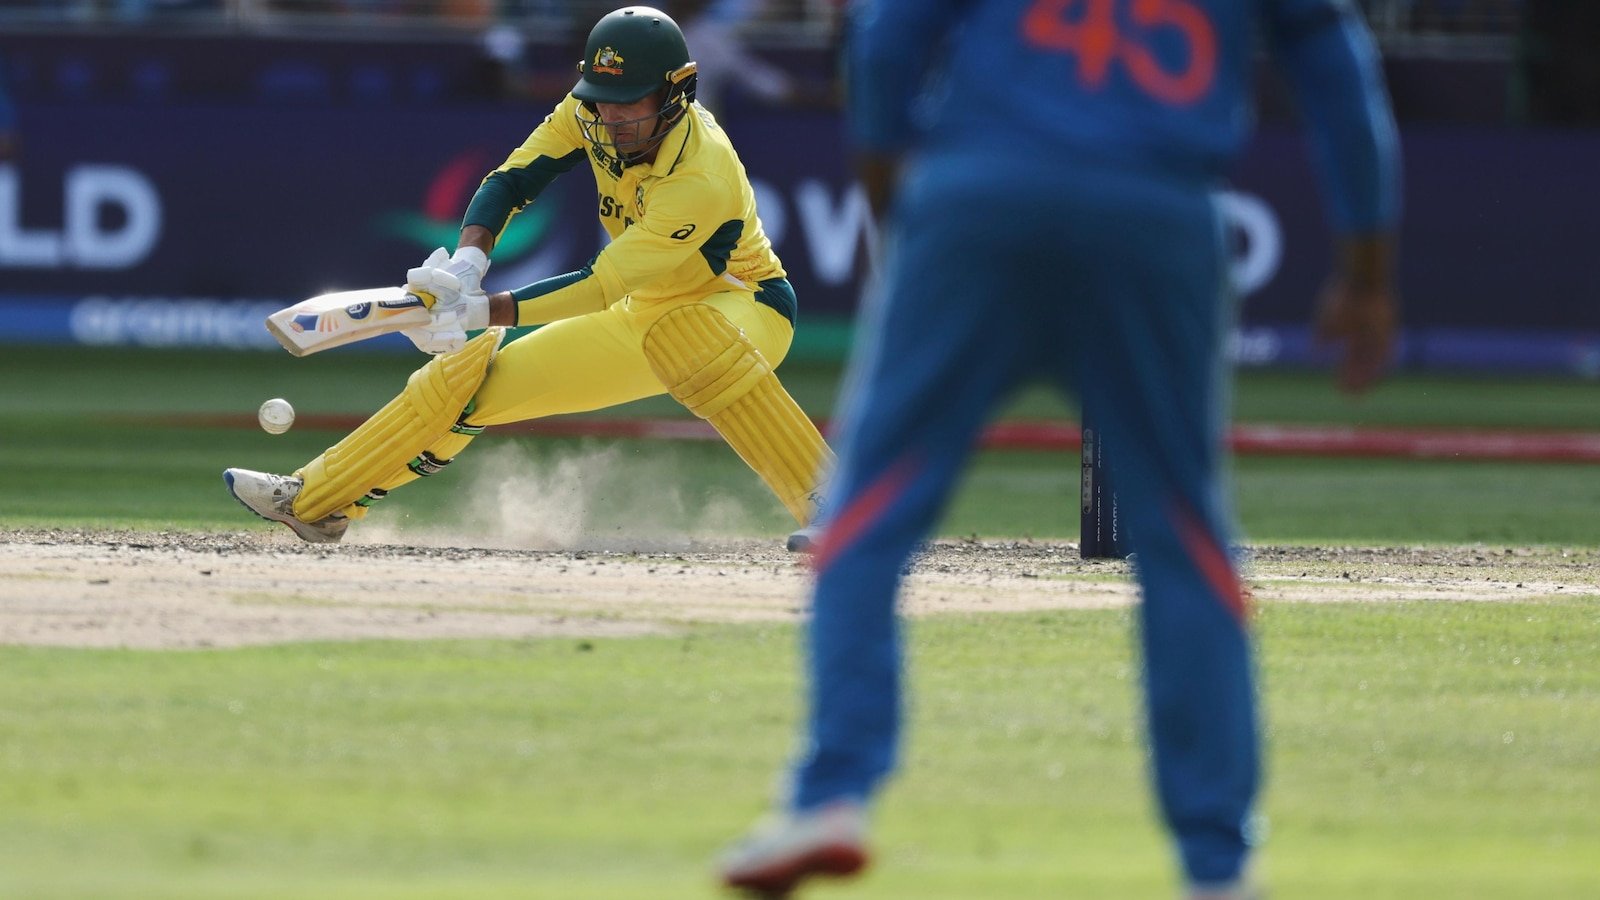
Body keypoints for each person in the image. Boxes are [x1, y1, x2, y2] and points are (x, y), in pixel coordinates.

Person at [719, 0, 1401, 896]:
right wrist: (1366, 272)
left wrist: (895, 193)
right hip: (1158, 213)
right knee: (1187, 545)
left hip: (980, 193)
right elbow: (1337, 70)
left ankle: (832, 793)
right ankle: (1219, 867)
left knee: (871, 513)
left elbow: (886, 40)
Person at [225, 5, 833, 548]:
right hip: (644, 311)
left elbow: (599, 285)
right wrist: (468, 263)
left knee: (690, 335)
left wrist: (474, 310)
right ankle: (312, 501)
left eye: (630, 102)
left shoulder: (703, 174)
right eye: (601, 97)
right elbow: (512, 180)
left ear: (675, 93)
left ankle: (838, 508)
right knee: (465, 382)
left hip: (744, 307)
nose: (611, 117)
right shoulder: (589, 111)